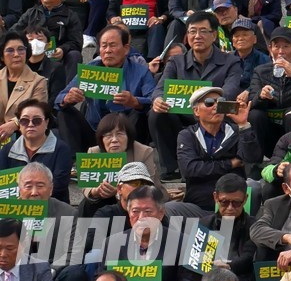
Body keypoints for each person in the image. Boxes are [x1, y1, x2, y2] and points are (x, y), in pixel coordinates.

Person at [150, 11, 240, 177]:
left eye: (203, 31)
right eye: (192, 31)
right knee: (156, 114)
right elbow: (159, 88)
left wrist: (208, 104)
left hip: (216, 116)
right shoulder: (176, 62)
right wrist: (158, 99)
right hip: (184, 118)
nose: (197, 36)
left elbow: (230, 90)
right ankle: (171, 168)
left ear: (214, 35)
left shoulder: (230, 61)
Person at [54, 25, 153, 153]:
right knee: (64, 111)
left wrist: (134, 102)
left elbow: (153, 99)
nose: (108, 50)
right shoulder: (90, 70)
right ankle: (74, 163)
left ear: (126, 48)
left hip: (127, 133)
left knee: (140, 113)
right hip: (95, 132)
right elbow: (58, 99)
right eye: (104, 46)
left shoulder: (141, 71)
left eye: (112, 45)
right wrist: (67, 98)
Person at [175, 85, 257, 210]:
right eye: (209, 103)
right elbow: (190, 169)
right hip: (199, 201)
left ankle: (240, 228)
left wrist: (243, 125)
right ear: (196, 111)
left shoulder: (236, 130)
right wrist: (229, 164)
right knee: (172, 208)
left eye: (220, 102)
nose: (216, 107)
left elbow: (251, 158)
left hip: (233, 199)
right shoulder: (187, 135)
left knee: (254, 187)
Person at [80, 111, 163, 207]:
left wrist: (120, 191)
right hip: (102, 199)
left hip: (136, 199)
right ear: (101, 138)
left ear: (129, 136)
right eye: (108, 135)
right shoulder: (93, 152)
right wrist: (95, 191)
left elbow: (149, 186)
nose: (114, 140)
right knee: (86, 204)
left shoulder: (143, 152)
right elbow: (86, 186)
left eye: (119, 134)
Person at [0, 100, 71, 202]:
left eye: (37, 120)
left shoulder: (61, 149)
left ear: (46, 122)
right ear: (19, 125)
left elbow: (59, 185)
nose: (30, 124)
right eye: (24, 120)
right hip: (15, 207)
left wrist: (29, 196)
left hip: (51, 208)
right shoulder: (7, 149)